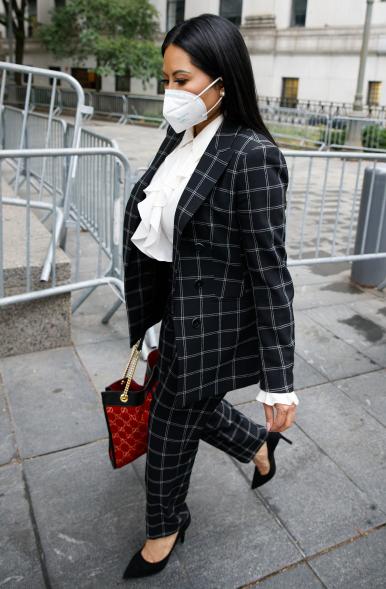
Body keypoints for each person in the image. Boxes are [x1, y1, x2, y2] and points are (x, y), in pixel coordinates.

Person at [121, 13, 299, 580]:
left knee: (168, 429)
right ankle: (257, 446)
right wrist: (150, 316)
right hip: (171, 315)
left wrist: (279, 380)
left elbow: (271, 272)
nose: (170, 93)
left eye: (182, 79)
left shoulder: (251, 155)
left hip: (212, 327)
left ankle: (165, 526)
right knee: (189, 412)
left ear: (223, 79)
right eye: (166, 79)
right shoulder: (181, 137)